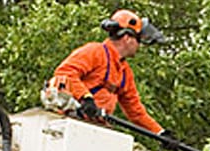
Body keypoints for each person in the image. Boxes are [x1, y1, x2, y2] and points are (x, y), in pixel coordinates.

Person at [51, 9, 175, 141]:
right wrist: (85, 98)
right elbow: (65, 72)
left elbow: (135, 111)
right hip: (71, 121)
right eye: (138, 40)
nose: (139, 46)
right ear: (127, 38)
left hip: (97, 127)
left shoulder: (125, 72)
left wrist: (160, 133)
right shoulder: (95, 51)